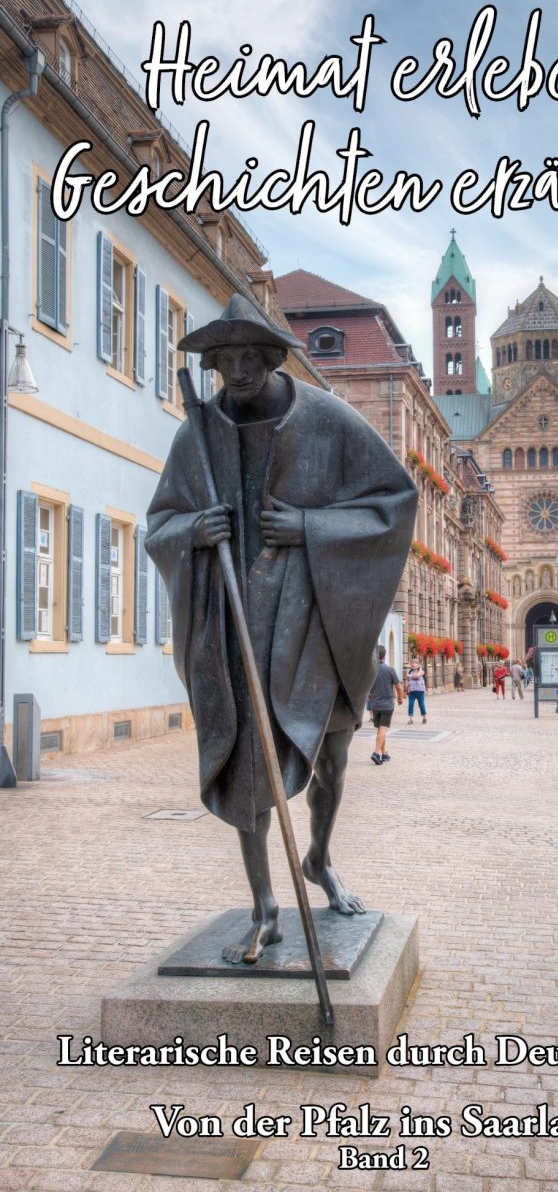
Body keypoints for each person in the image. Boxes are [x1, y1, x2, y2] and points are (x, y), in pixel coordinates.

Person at [146, 295, 417, 965]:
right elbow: (161, 523)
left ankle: (318, 858)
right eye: (225, 359)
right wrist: (195, 530)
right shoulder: (197, 431)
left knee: (332, 755)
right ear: (212, 363)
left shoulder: (326, 417)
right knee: (247, 763)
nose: (238, 371)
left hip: (316, 619)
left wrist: (309, 527)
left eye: (250, 356)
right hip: (235, 621)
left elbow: (394, 502)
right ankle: (265, 906)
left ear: (271, 356)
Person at [368, 646, 403, 765]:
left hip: (375, 704)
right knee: (383, 729)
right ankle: (376, 752)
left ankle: (384, 754)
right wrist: (400, 698)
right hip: (387, 705)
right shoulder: (390, 669)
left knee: (380, 729)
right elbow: (398, 687)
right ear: (384, 656)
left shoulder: (370, 670)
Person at [406, 657, 427, 723]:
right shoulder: (410, 671)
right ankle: (411, 719)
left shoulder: (421, 670)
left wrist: (410, 675)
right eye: (411, 663)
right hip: (412, 691)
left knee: (421, 705)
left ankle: (424, 717)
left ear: (418, 664)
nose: (412, 664)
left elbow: (417, 676)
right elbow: (408, 681)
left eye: (414, 663)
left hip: (420, 691)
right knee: (410, 704)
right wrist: (407, 689)